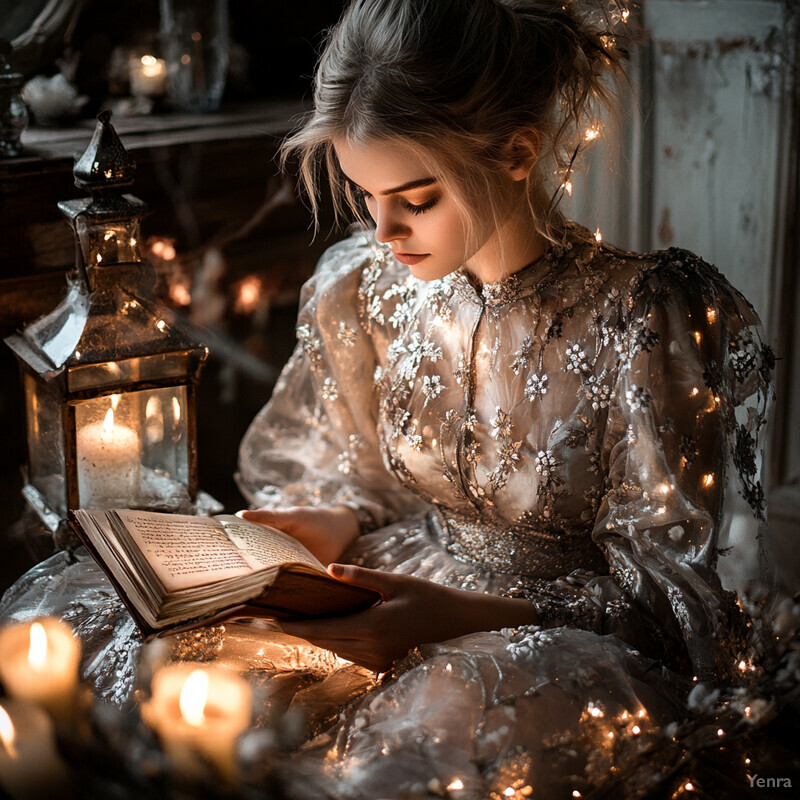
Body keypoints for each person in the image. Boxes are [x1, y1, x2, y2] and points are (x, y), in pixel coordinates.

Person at [0, 0, 787, 797]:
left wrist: (449, 620)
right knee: (101, 631)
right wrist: (338, 518)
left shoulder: (644, 313)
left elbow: (666, 611)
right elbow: (351, 467)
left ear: (518, 153)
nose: (386, 234)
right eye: (365, 198)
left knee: (416, 758)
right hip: (388, 572)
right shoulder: (364, 286)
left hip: (545, 637)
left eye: (416, 200)